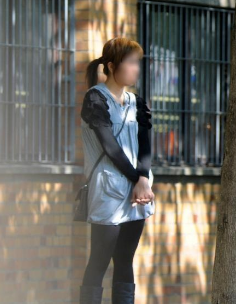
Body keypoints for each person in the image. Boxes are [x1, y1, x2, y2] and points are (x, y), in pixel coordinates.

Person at [79, 38, 155, 304]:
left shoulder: (138, 103)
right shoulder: (95, 99)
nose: (136, 69)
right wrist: (139, 180)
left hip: (137, 191)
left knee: (125, 260)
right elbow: (110, 147)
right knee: (99, 261)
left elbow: (145, 146)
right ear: (112, 66)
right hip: (108, 190)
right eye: (131, 62)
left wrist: (143, 179)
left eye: (138, 63)